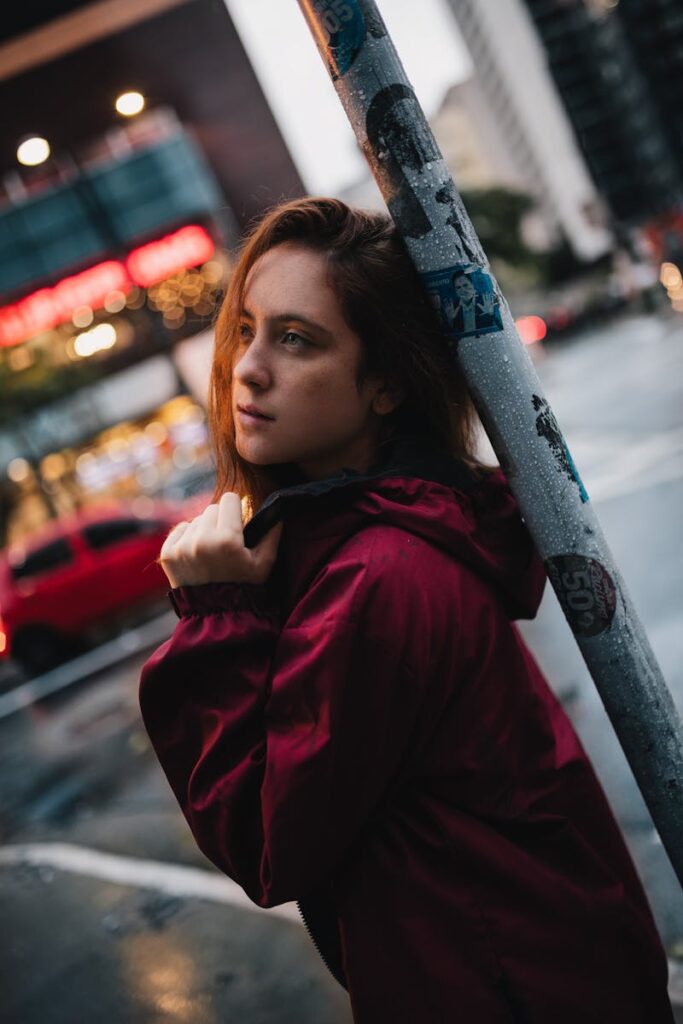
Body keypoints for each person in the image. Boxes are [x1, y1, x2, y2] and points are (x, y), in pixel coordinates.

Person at [139, 197, 673, 1023]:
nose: (247, 368)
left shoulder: (379, 579)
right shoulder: (374, 545)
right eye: (245, 329)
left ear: (385, 383)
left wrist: (217, 617)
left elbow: (266, 844)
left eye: (295, 339)